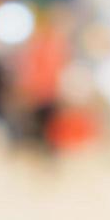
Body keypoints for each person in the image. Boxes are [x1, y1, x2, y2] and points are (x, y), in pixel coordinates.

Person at [13, 10, 70, 156]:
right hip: (41, 92)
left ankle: (47, 148)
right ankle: (40, 148)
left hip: (48, 92)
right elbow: (32, 70)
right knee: (41, 124)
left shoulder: (55, 46)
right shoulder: (41, 46)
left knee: (50, 124)